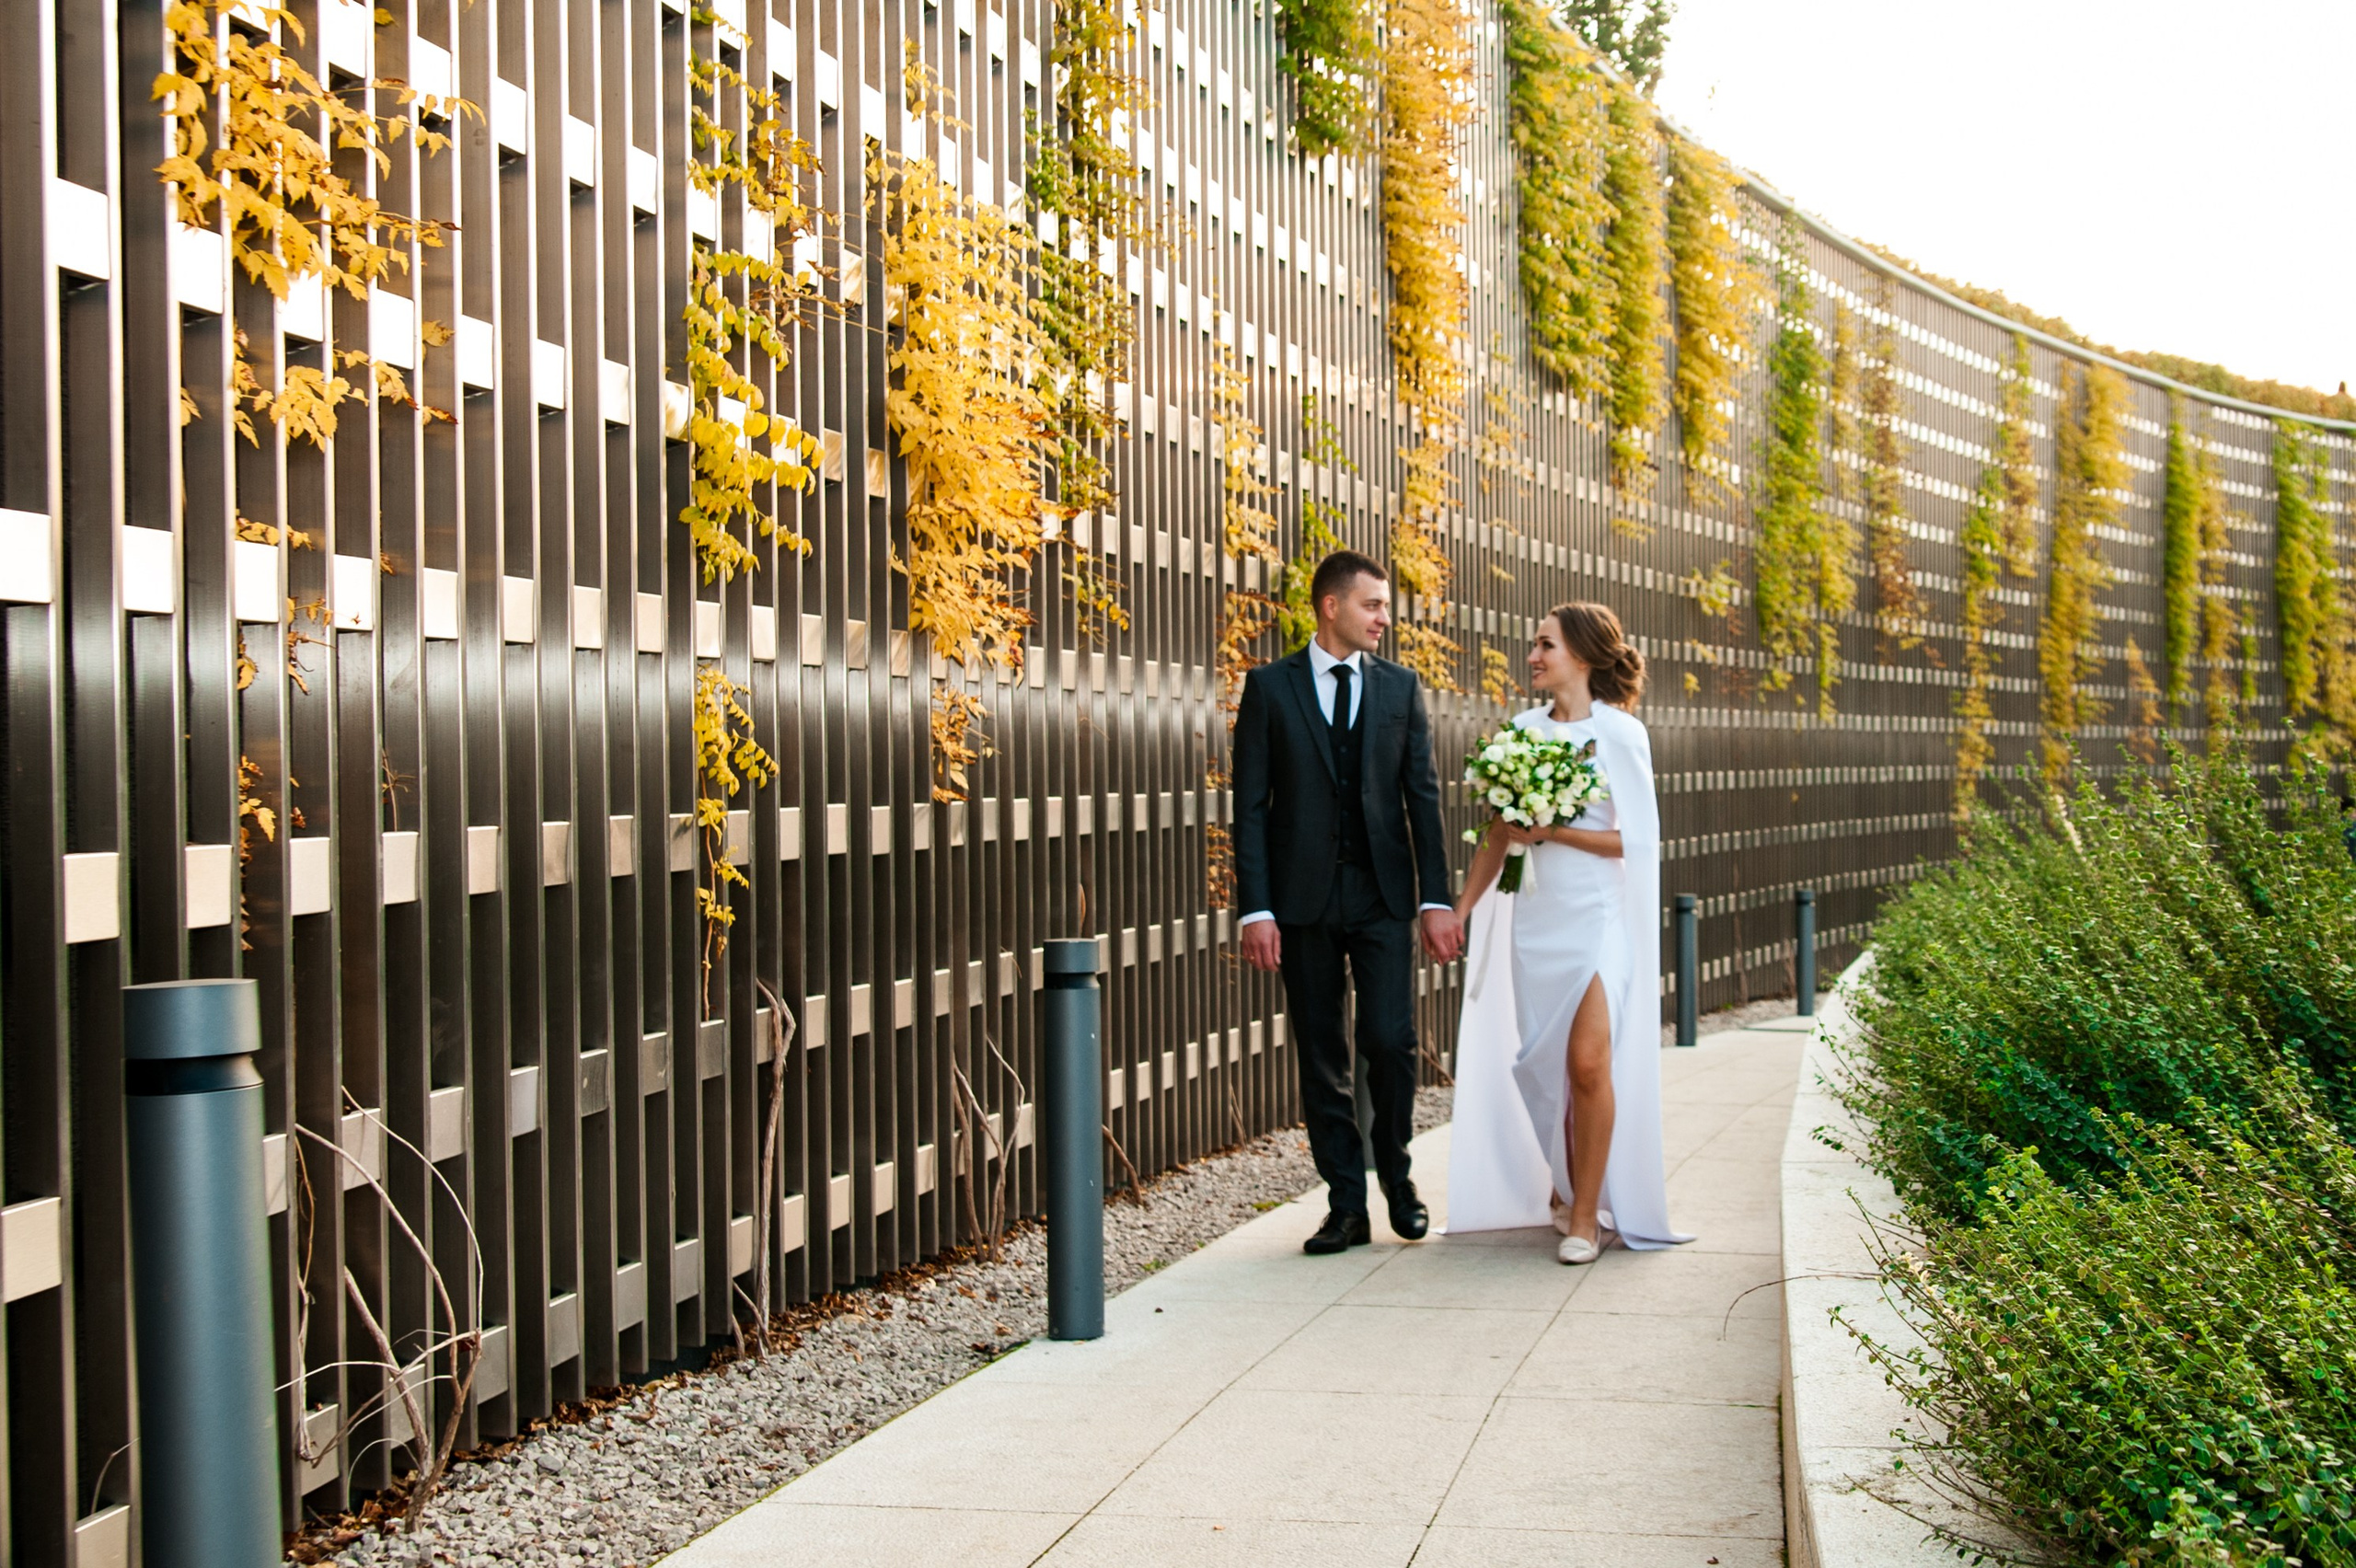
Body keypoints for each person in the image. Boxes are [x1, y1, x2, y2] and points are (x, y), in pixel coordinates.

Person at [1231, 550, 1465, 1255]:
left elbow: (1422, 799)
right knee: (1322, 1054)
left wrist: (1435, 900)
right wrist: (1256, 908)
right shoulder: (1270, 688)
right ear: (1330, 606)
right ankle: (1345, 1206)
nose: (1384, 620)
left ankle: (1397, 1177)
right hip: (1300, 900)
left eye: (1385, 606)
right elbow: (1249, 807)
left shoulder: (1401, 688)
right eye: (1373, 606)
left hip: (1383, 895)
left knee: (1390, 1042)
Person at [1446, 602, 1690, 1263]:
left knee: (1588, 1063)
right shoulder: (1519, 733)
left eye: (1545, 645)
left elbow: (1633, 842)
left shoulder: (1622, 735)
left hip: (1599, 920)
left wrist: (1553, 831)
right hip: (1538, 919)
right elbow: (1500, 835)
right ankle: (1564, 1186)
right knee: (1544, 1070)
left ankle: (1587, 1217)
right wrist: (1460, 911)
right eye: (1535, 644)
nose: (1534, 655)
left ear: (1580, 656)